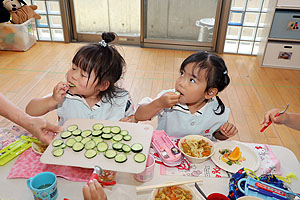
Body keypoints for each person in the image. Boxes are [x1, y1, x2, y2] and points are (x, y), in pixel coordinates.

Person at [25, 32, 136, 125]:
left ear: (103, 85)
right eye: (73, 68)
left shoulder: (121, 100)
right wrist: (52, 100)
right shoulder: (65, 96)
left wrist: (130, 122)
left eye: (83, 75)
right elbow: (30, 110)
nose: (73, 76)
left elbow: (133, 120)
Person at [135, 51, 238, 140]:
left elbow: (215, 134)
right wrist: (159, 103)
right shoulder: (167, 99)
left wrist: (223, 134)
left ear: (209, 93)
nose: (181, 83)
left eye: (192, 80)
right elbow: (139, 115)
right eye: (182, 74)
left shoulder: (217, 111)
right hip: (165, 151)